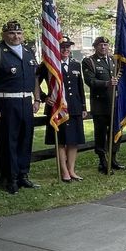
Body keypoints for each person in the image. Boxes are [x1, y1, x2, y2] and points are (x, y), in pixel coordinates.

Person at [0, 20, 42, 194]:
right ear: (4, 35)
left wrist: (37, 99)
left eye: (19, 33)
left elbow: (35, 78)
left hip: (26, 103)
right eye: (11, 33)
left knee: (25, 140)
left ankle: (23, 175)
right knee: (8, 141)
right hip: (5, 103)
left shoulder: (28, 51)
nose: (16, 36)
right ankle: (11, 179)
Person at [38, 35, 87, 182]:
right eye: (62, 47)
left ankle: (71, 170)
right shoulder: (49, 65)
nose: (65, 49)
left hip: (74, 107)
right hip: (57, 108)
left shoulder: (75, 64)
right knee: (61, 140)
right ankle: (64, 171)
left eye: (68, 47)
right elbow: (34, 82)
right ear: (56, 48)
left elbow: (80, 87)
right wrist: (43, 97)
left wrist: (83, 106)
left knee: (74, 140)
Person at [82, 36, 126, 174]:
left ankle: (113, 159)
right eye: (100, 45)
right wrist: (106, 83)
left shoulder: (113, 60)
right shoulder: (89, 61)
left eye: (106, 45)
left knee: (115, 132)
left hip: (114, 103)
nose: (103, 47)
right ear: (95, 46)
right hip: (100, 105)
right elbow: (90, 81)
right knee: (101, 134)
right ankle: (102, 161)